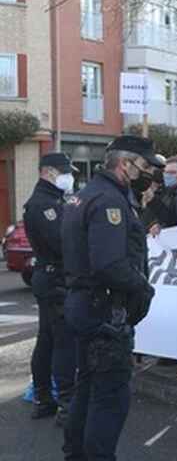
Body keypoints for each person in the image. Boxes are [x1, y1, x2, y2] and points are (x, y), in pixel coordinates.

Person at [62, 136, 158, 460]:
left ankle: (75, 454)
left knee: (87, 390)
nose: (148, 174)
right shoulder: (110, 201)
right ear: (125, 163)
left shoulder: (86, 195)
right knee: (109, 399)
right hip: (103, 312)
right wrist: (144, 287)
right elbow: (109, 264)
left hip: (85, 305)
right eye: (144, 167)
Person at [24, 153, 77, 425]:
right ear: (47, 172)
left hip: (52, 278)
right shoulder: (43, 204)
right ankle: (66, 405)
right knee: (62, 342)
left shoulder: (55, 200)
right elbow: (61, 242)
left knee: (47, 340)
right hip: (54, 280)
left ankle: (44, 398)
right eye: (64, 171)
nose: (69, 176)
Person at [144, 156, 177, 236]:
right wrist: (156, 224)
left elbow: (174, 219)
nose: (167, 175)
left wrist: (153, 200)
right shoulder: (165, 192)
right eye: (165, 172)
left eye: (172, 172)